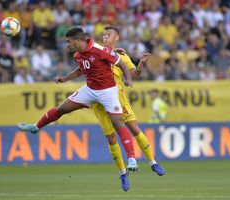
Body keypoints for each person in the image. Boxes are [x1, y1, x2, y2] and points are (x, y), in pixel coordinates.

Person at [18, 27, 133, 191]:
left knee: (117, 123)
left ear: (78, 41)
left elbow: (121, 64)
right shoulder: (78, 55)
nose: (66, 45)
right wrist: (64, 79)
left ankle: (131, 161)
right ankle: (37, 127)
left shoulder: (100, 50)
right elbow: (81, 69)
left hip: (108, 91)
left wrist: (128, 79)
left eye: (68, 42)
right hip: (90, 90)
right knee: (62, 109)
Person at [91, 26, 165, 175]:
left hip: (119, 99)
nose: (105, 37)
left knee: (135, 129)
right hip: (100, 101)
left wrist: (142, 63)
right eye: (104, 35)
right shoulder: (95, 52)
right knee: (111, 137)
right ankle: (123, 172)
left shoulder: (122, 56)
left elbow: (134, 74)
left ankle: (153, 162)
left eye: (109, 34)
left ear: (116, 38)